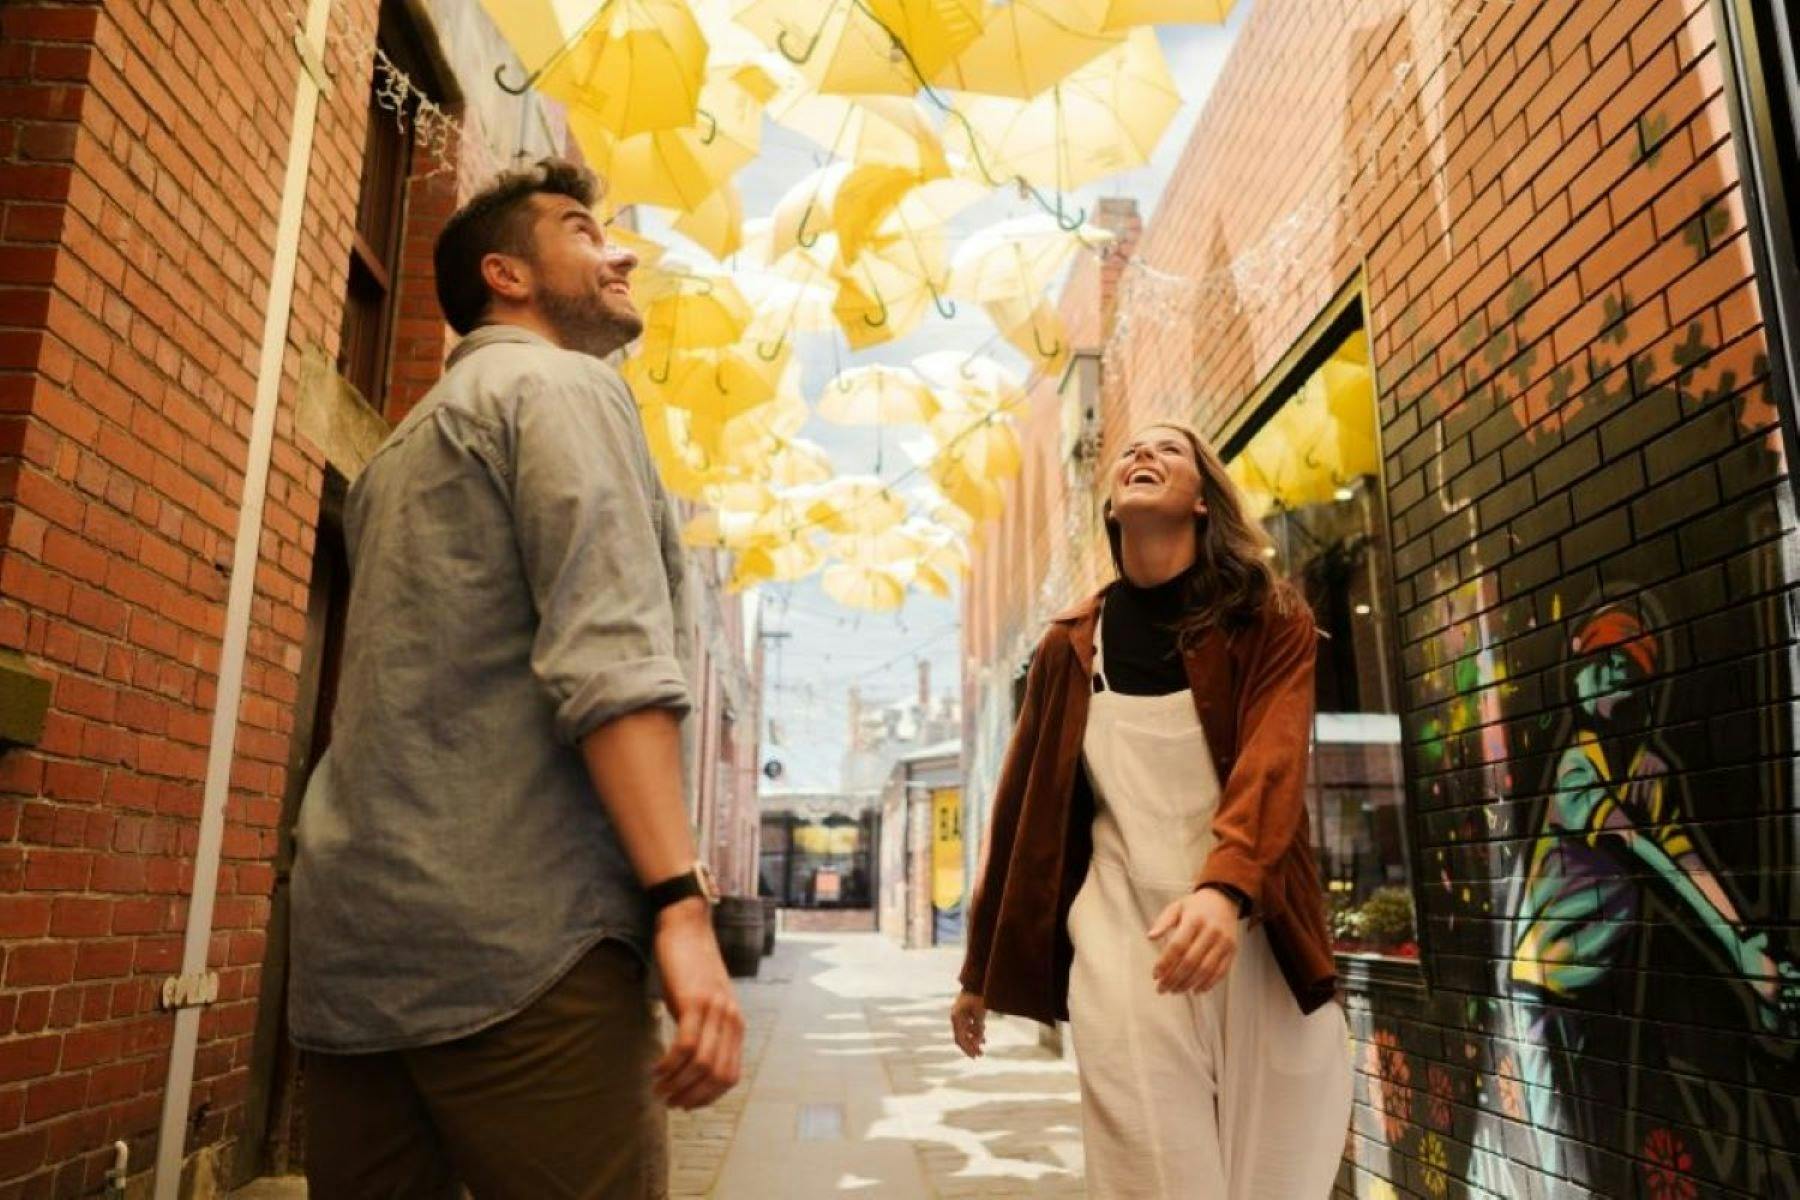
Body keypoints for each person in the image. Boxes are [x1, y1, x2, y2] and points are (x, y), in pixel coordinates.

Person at [288, 159, 742, 1200]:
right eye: (584, 231)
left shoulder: (404, 446)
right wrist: (680, 904)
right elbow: (610, 657)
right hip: (525, 949)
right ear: (507, 275)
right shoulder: (563, 387)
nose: (620, 251)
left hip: (353, 954)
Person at [951, 420, 1353, 1198]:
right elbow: (1023, 818)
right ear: (1110, 506)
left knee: (1279, 1170)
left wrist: (1223, 888)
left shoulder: (1270, 618)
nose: (1142, 454)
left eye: (1168, 450)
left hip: (1258, 931)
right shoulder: (1069, 646)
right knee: (1155, 1176)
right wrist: (980, 969)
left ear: (1203, 500)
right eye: (1131, 451)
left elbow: (1272, 764)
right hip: (1122, 940)